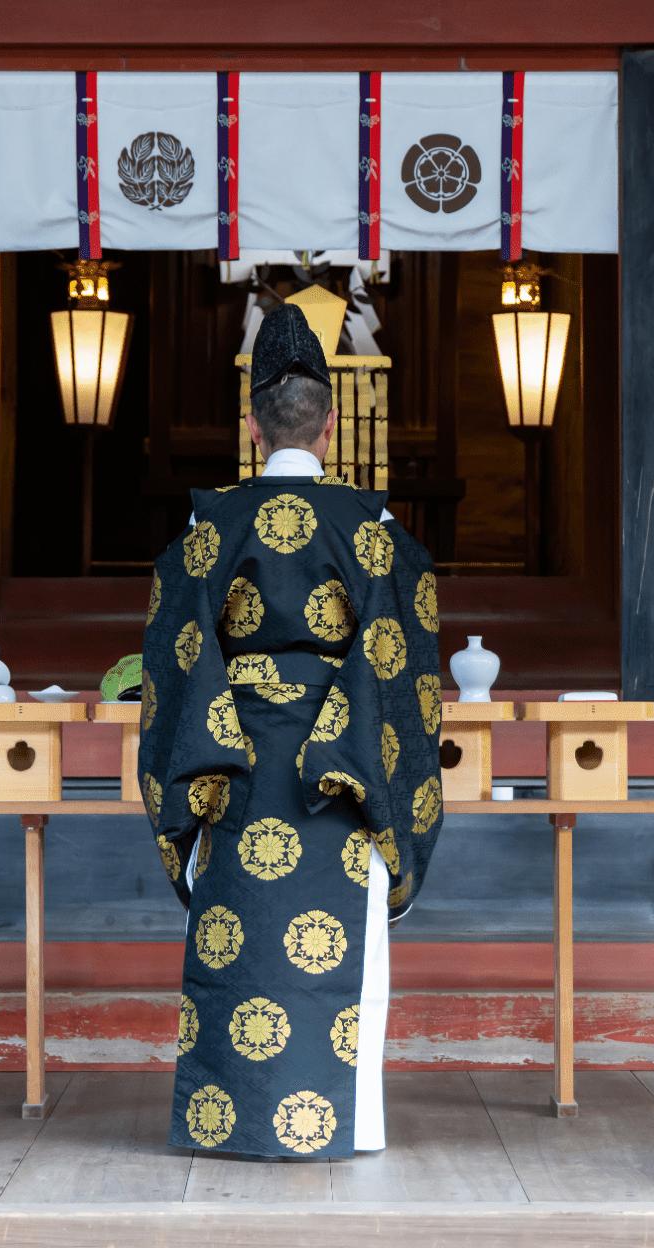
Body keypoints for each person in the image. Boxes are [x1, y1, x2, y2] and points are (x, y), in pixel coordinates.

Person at [139, 301, 444, 1159]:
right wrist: (360, 751)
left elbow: (174, 660)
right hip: (347, 772)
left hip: (230, 763)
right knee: (343, 963)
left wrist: (201, 770)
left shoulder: (209, 524)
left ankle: (225, 1122)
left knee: (234, 951)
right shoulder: (374, 530)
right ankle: (352, 1127)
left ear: (252, 426)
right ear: (332, 423)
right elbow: (406, 664)